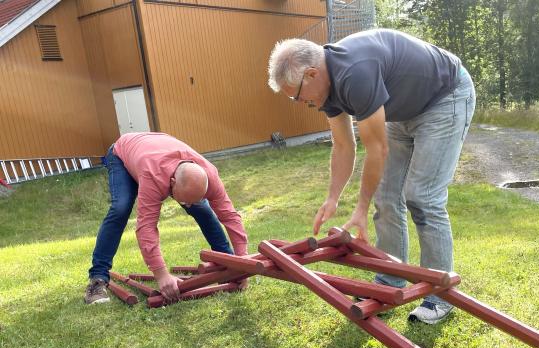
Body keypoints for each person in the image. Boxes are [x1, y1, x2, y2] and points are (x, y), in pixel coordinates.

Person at [267, 28, 475, 324]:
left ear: (312, 74)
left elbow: (377, 150)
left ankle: (439, 296)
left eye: (297, 96)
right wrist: (332, 197)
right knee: (387, 197)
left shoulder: (355, 74)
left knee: (422, 196)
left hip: (445, 97)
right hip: (402, 110)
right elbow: (343, 145)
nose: (300, 103)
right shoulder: (327, 86)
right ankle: (390, 282)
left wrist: (361, 208)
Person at [85, 132, 248, 304]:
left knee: (203, 209)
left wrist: (242, 264)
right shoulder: (153, 177)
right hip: (123, 153)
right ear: (172, 182)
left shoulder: (210, 175)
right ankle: (98, 279)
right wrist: (162, 275)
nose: (188, 205)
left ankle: (227, 264)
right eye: (185, 201)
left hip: (152, 149)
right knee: (121, 208)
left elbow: (230, 217)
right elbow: (146, 227)